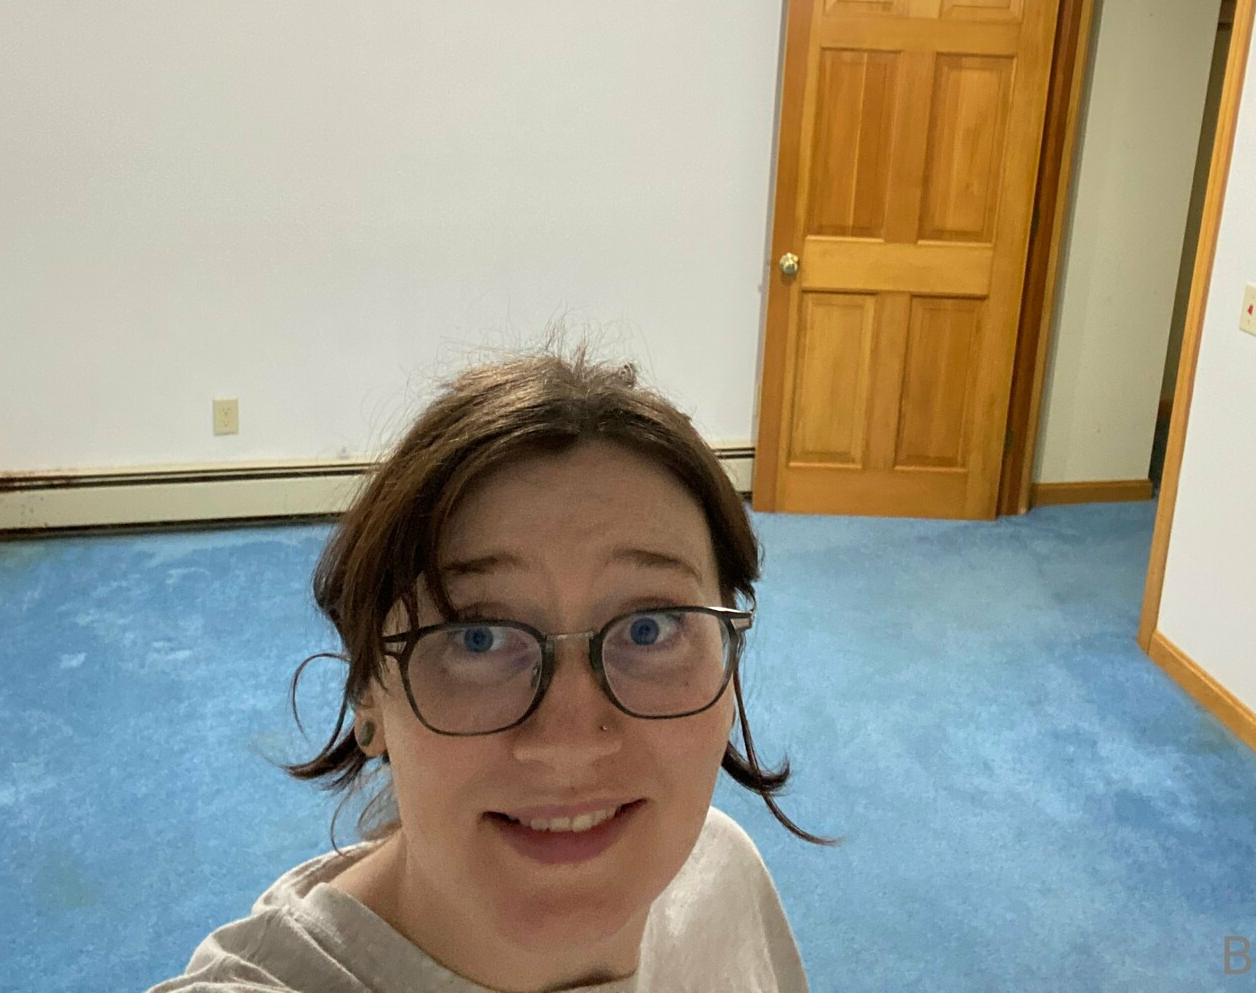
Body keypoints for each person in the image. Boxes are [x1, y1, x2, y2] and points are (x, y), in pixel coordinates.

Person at [148, 347, 835, 993]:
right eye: (477, 639)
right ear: (368, 694)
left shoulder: (717, 872)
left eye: (648, 628)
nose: (569, 744)